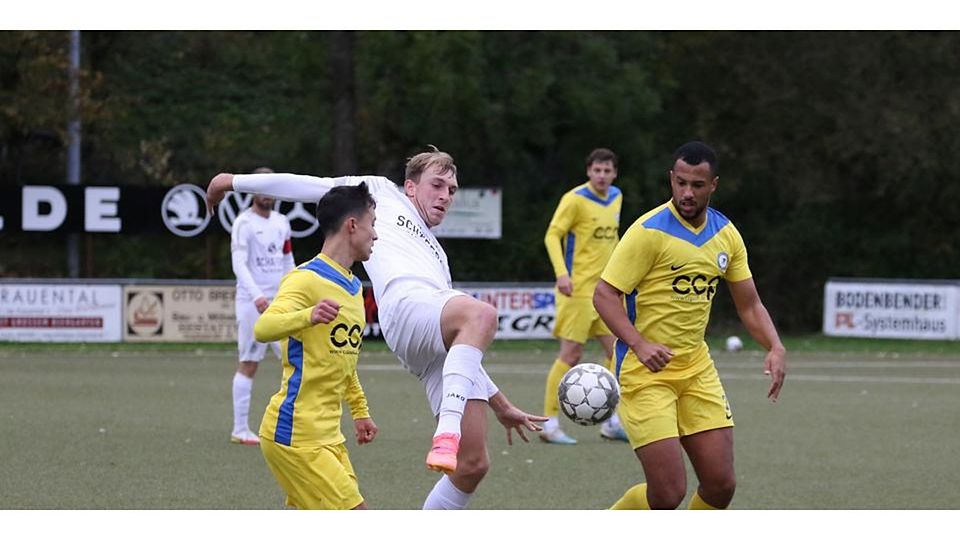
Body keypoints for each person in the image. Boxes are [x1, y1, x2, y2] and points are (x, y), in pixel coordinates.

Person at [206, 147, 546, 510]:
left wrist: (500, 404)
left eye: (452, 189)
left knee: (473, 465)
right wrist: (232, 182)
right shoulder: (381, 193)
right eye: (438, 185)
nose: (446, 195)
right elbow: (309, 186)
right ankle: (445, 432)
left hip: (432, 339)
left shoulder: (437, 254)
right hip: (405, 307)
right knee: (481, 315)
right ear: (411, 187)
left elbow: (461, 346)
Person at [593, 141, 787, 510]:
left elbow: (749, 303)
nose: (686, 192)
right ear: (671, 178)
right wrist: (639, 343)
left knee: (720, 485)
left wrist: (775, 346)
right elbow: (604, 295)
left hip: (697, 370)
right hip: (645, 373)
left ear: (713, 184)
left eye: (697, 185)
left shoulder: (726, 234)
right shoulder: (648, 231)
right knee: (667, 494)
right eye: (680, 182)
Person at [254, 182, 379, 509]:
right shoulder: (304, 278)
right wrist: (308, 315)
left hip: (329, 437)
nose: (375, 235)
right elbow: (263, 327)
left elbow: (343, 360)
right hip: (296, 435)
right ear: (352, 225)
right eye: (373, 224)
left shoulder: (353, 286)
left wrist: (360, 411)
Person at [541, 148, 628, 444]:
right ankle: (549, 424)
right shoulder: (575, 199)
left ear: (614, 173)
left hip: (605, 292)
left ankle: (612, 422)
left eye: (607, 171)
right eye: (597, 170)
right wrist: (561, 273)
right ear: (589, 171)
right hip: (576, 291)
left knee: (616, 354)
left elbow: (613, 239)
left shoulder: (616, 196)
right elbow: (552, 235)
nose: (602, 176)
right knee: (571, 355)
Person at [229, 167, 295, 445]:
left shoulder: (282, 222)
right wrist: (257, 296)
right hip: (252, 303)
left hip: (279, 302)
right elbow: (238, 263)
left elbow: (287, 261)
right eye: (262, 189)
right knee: (249, 363)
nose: (267, 195)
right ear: (253, 191)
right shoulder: (243, 223)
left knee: (295, 361)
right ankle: (240, 429)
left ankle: (291, 425)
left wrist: (293, 290)